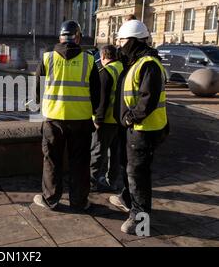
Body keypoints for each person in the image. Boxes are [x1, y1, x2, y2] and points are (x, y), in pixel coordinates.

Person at [109, 20, 170, 235]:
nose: (119, 44)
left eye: (123, 40)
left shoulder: (148, 64)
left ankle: (141, 222)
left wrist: (130, 118)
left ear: (134, 41)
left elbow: (148, 99)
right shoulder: (136, 62)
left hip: (144, 129)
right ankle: (127, 199)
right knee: (129, 168)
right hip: (135, 129)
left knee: (139, 176)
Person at [33, 21, 101, 211]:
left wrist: (43, 105)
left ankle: (51, 199)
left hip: (53, 121)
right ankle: (79, 201)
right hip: (81, 122)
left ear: (60, 38)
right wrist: (95, 114)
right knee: (79, 163)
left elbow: (37, 90)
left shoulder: (47, 59)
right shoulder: (89, 60)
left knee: (51, 161)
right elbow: (96, 94)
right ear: (77, 37)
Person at [90, 45, 124, 192]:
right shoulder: (123, 69)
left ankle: (91, 183)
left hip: (106, 120)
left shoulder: (106, 72)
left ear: (103, 56)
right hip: (120, 120)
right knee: (115, 154)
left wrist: (98, 119)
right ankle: (112, 182)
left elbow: (102, 100)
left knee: (97, 152)